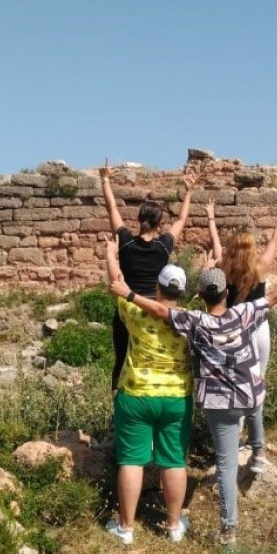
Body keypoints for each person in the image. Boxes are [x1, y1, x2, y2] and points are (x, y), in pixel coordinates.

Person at [109, 255, 277, 545]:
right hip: (247, 395)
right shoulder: (243, 313)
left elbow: (158, 309)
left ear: (199, 296)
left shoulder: (195, 321)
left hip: (219, 404)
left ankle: (228, 531)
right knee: (251, 410)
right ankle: (257, 452)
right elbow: (274, 297)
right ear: (227, 293)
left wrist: (128, 293)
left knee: (226, 465)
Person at [103, 236, 193, 545]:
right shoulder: (191, 321)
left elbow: (117, 281)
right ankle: (173, 526)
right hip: (176, 398)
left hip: (136, 395)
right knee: (174, 461)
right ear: (181, 292)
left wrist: (110, 254)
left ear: (157, 286)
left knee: (131, 460)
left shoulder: (134, 313)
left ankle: (126, 528)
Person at [206, 196, 277, 472]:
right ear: (251, 249)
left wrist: (211, 218)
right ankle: (258, 452)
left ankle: (235, 444)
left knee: (234, 387)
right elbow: (275, 238)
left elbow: (214, 243)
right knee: (256, 388)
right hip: (259, 331)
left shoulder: (223, 267)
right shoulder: (259, 268)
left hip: (233, 333)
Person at [100, 159, 195, 391]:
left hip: (127, 310)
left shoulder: (125, 243)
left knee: (122, 359)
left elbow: (112, 209)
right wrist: (189, 192)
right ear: (159, 224)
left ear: (139, 220)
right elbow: (182, 220)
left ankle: (119, 408)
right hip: (155, 309)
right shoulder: (163, 247)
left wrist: (105, 180)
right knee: (155, 356)